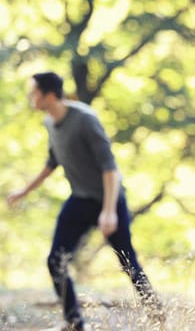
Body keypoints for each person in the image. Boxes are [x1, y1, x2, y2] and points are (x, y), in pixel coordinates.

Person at [7, 72, 164, 331]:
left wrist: (110, 211)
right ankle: (74, 323)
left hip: (109, 199)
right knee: (55, 261)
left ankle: (156, 315)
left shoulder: (85, 120)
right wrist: (25, 190)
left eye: (33, 92)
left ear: (48, 95)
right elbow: (52, 161)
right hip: (80, 200)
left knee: (127, 261)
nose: (30, 98)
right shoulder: (49, 122)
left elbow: (110, 168)